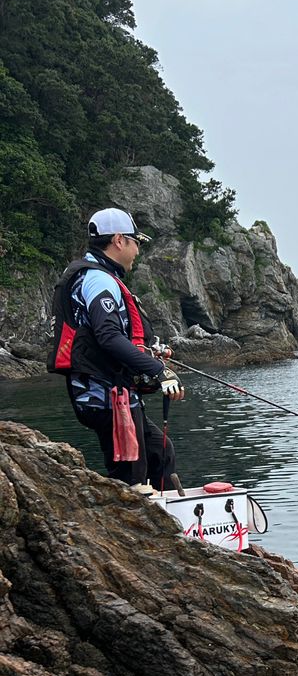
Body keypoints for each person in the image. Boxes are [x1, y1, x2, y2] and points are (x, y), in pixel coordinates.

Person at [49, 207, 185, 491]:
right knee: (133, 479)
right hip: (106, 397)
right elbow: (109, 337)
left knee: (161, 452)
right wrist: (160, 372)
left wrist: (150, 354)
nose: (138, 250)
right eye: (137, 242)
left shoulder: (95, 275)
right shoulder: (99, 280)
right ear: (119, 240)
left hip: (112, 394)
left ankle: (172, 523)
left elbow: (108, 338)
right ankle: (136, 527)